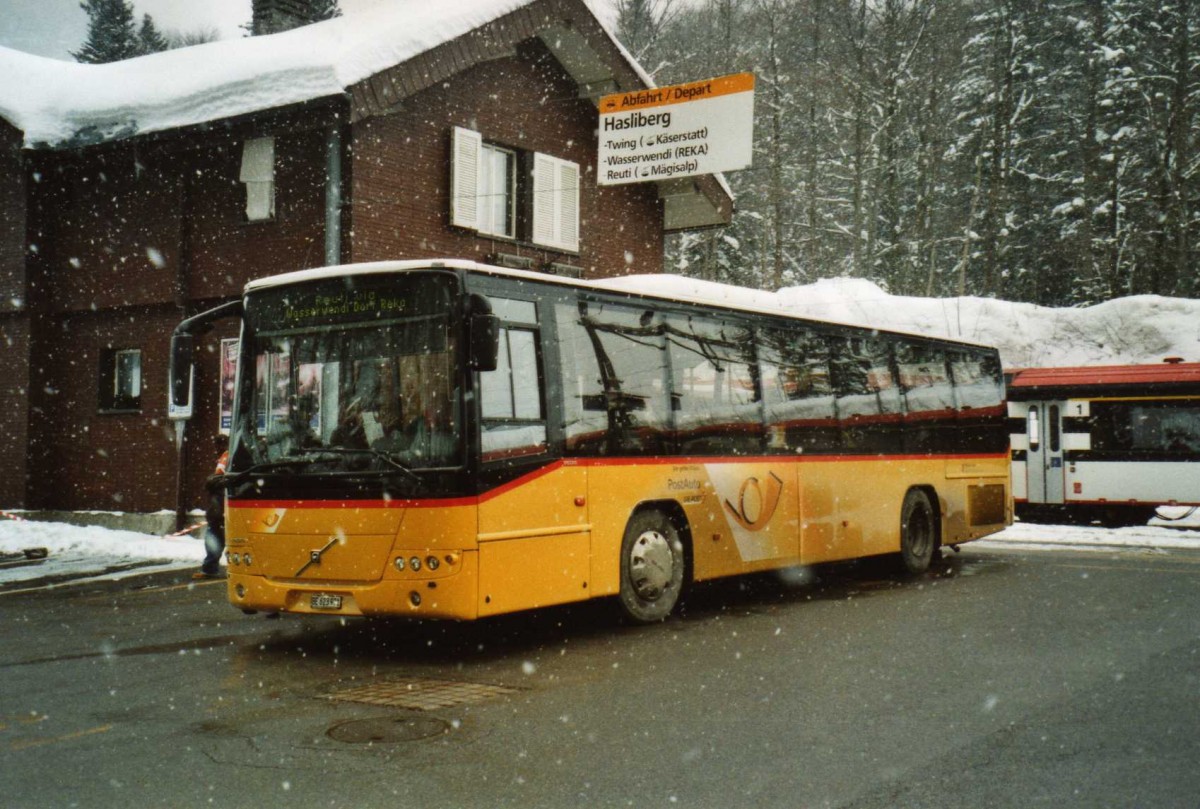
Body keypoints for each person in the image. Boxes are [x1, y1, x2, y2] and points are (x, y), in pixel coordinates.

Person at [195, 434, 229, 579]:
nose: (216, 450)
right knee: (220, 535)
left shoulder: (226, 456)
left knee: (214, 535)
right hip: (222, 506)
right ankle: (212, 567)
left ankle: (210, 568)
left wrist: (210, 482)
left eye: (217, 446)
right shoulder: (230, 455)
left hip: (220, 506)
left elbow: (218, 478)